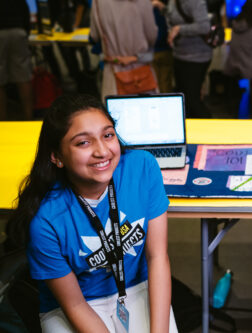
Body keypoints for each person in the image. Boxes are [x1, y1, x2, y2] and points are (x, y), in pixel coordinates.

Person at [6, 94, 177, 332]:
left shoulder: (142, 167)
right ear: (56, 156)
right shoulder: (45, 220)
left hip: (137, 286)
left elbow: (158, 257)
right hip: (78, 303)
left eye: (108, 135)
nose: (102, 151)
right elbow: (74, 305)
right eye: (83, 143)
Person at [90, 0, 158, 99]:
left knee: (113, 111)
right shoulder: (142, 1)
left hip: (113, 70)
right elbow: (152, 36)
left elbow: (94, 35)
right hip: (140, 71)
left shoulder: (97, 2)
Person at [161, 0, 212, 118]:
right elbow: (173, 17)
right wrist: (162, 9)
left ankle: (210, 132)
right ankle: (192, 131)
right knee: (185, 100)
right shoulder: (173, 2)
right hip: (180, 55)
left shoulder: (195, 2)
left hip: (196, 56)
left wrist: (179, 29)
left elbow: (204, 27)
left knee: (192, 100)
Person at [0, 0, 33, 120]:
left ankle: (2, 122)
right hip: (18, 31)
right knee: (23, 78)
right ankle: (28, 118)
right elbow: (25, 13)